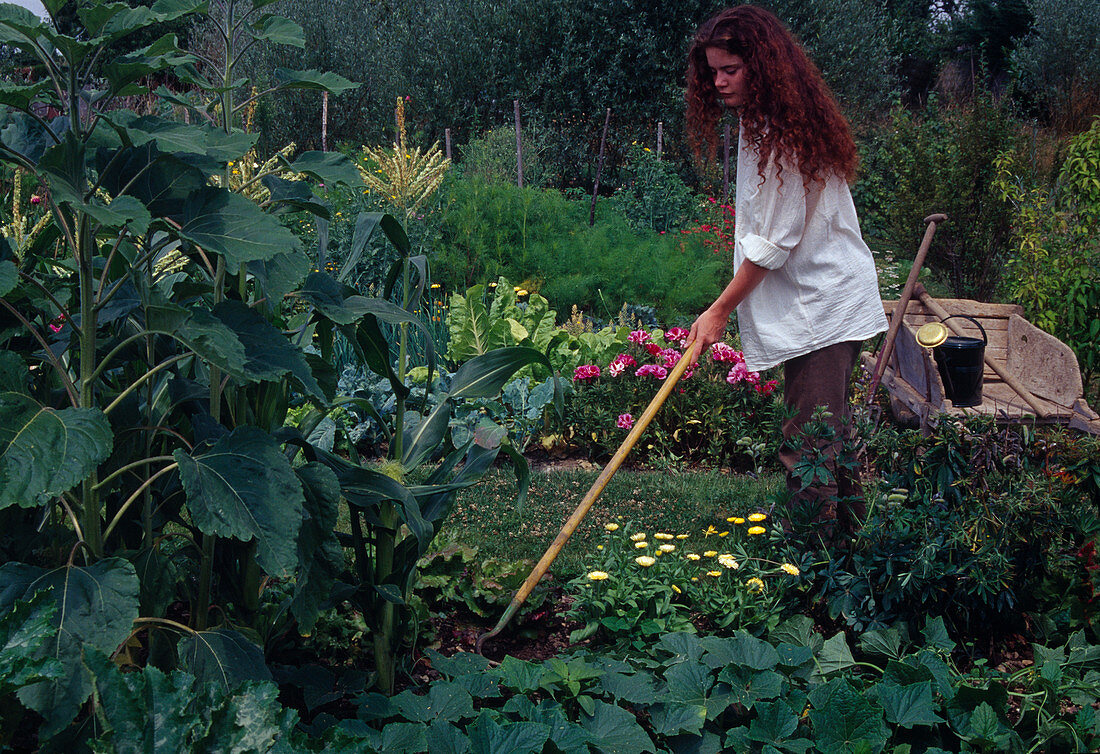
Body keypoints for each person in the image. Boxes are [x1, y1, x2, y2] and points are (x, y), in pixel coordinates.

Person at [682, 5, 888, 537]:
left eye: (731, 69)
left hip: (822, 306)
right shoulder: (765, 122)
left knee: (810, 443)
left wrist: (719, 311)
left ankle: (809, 569)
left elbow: (774, 241)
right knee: (830, 436)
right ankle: (854, 554)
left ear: (762, 64)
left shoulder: (782, 131)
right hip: (820, 301)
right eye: (713, 71)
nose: (719, 81)